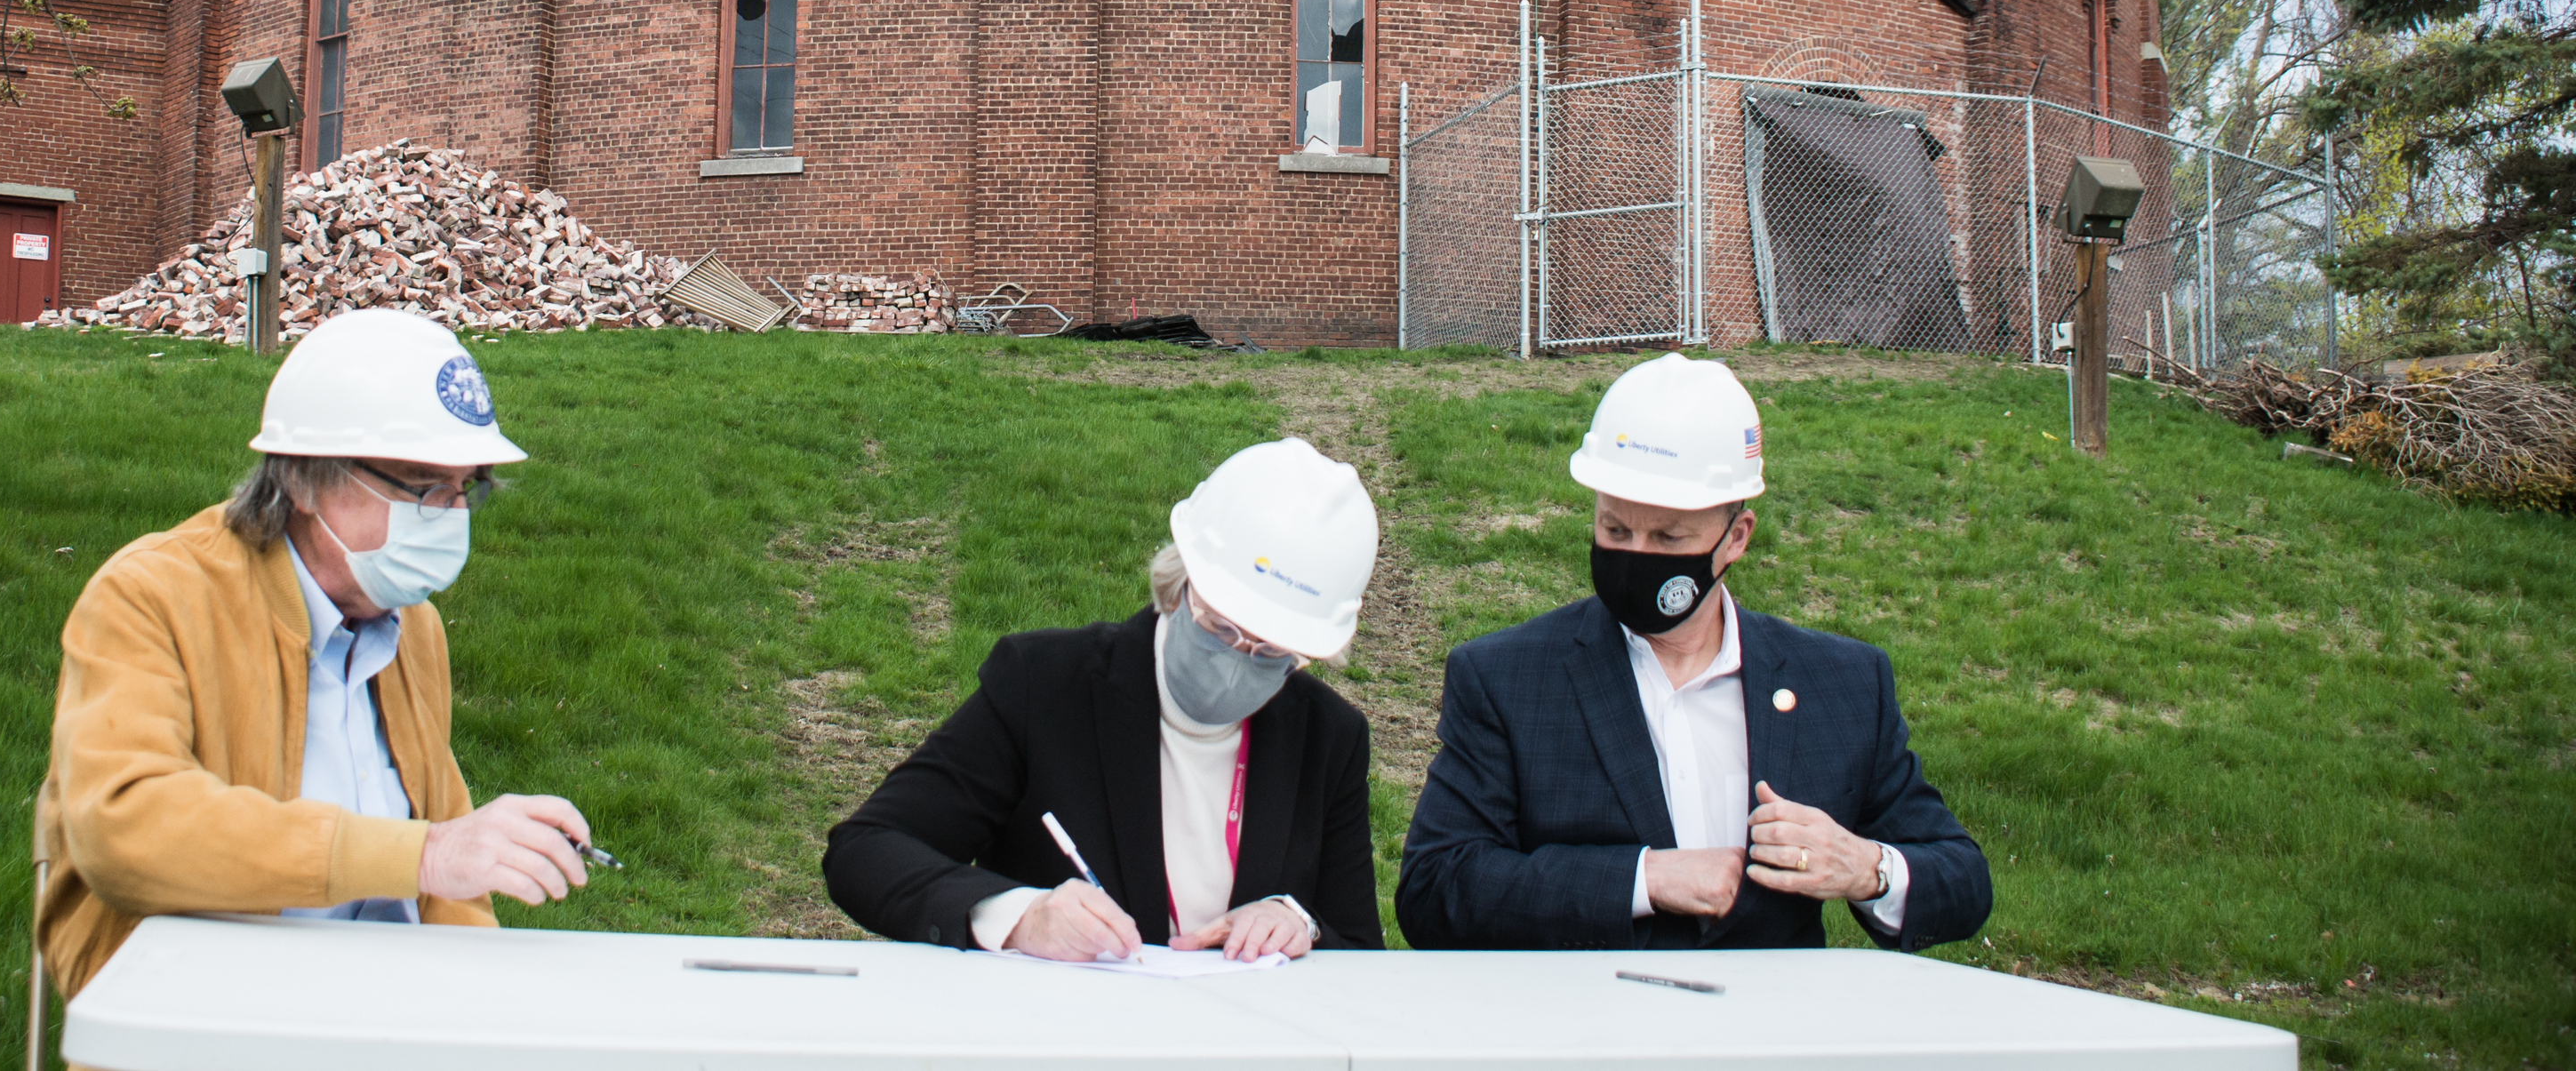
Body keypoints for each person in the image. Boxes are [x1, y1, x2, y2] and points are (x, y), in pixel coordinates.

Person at [34, 310, 596, 997]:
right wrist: (423, 856)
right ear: (301, 480)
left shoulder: (415, 627)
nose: (448, 517)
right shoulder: (150, 596)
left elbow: (455, 875)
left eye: (464, 488)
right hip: (200, 1017)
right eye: (420, 484)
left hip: (383, 1017)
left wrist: (481, 1012)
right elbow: (124, 825)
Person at [1396, 352, 1991, 954]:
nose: (1636, 552)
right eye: (1615, 530)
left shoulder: (1843, 685)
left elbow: (1963, 880)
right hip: (1587, 1035)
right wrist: (1643, 879)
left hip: (1768, 1039)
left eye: (1669, 536)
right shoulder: (1509, 679)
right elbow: (1435, 890)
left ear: (1735, 537)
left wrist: (1868, 868)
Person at [824, 437, 1385, 960]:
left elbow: (1359, 949)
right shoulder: (1044, 685)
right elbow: (866, 850)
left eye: (1272, 653)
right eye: (1219, 627)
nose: (1238, 661)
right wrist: (1021, 916)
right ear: (1181, 579)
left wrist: (1299, 924)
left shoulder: (1327, 737)